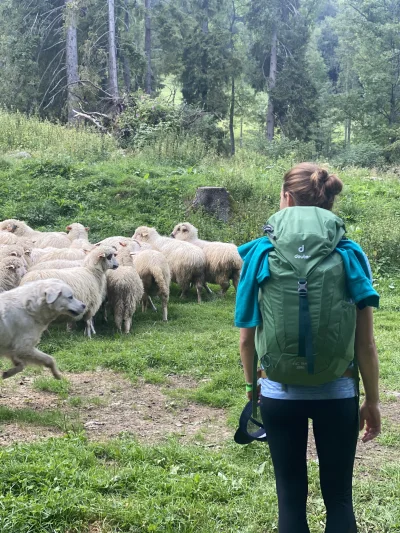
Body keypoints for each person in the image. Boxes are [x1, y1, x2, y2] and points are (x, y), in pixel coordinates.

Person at [235, 163, 381, 533]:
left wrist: (254, 390)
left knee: (290, 499)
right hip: (338, 391)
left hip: (279, 394)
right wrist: (372, 401)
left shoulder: (259, 253)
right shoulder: (350, 254)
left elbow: (246, 338)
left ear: (286, 197)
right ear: (330, 202)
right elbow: (365, 342)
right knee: (339, 500)